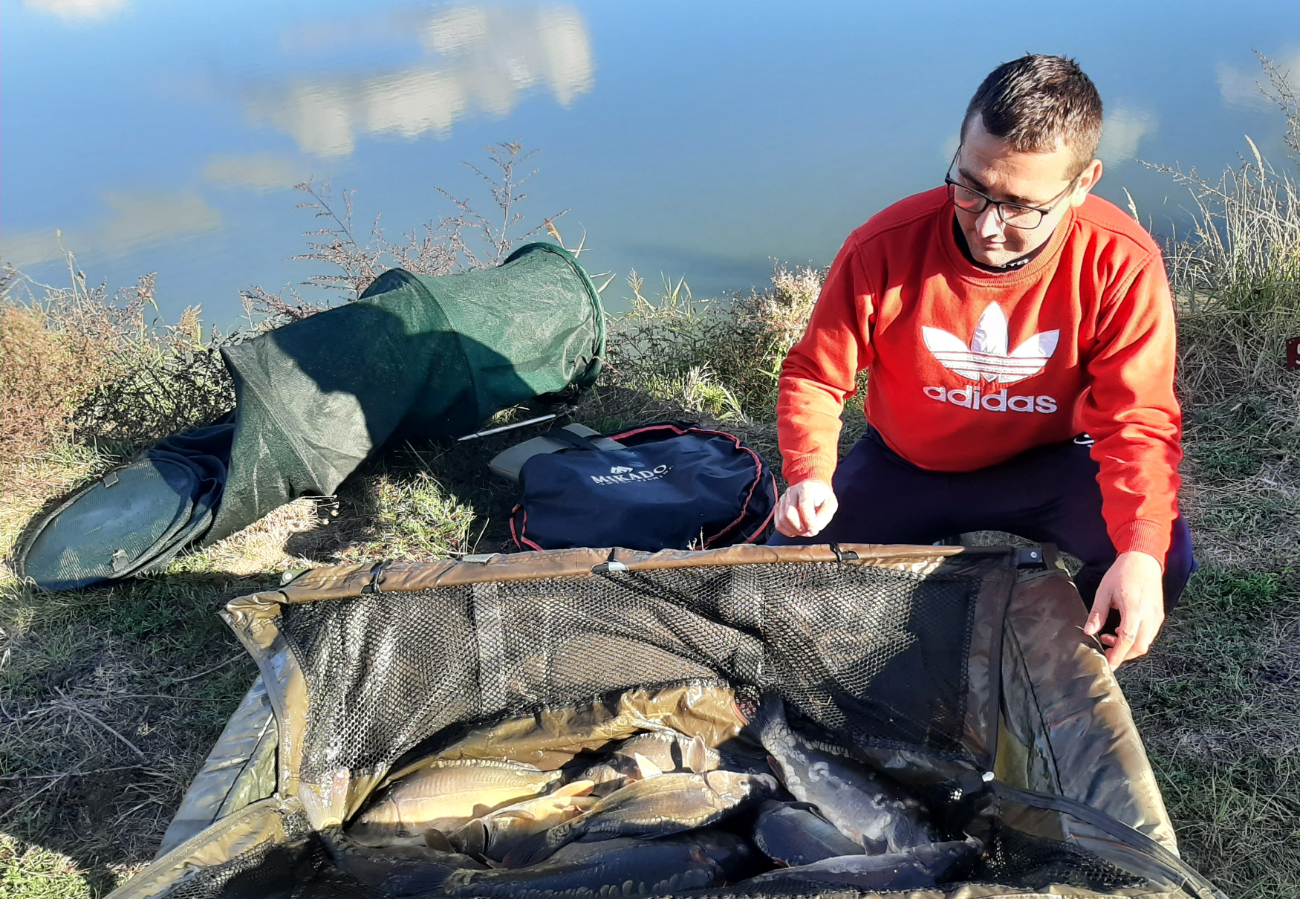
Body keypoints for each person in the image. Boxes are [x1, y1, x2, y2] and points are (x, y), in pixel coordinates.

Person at [769, 54, 1195, 671]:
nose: (988, 225)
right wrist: (810, 472)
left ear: (1083, 183)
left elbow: (1138, 420)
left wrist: (1140, 549)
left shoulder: (1121, 261)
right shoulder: (883, 246)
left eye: (1021, 205)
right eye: (971, 186)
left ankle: (1052, 678)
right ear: (961, 149)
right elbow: (815, 373)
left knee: (1159, 556)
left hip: (1047, 462)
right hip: (906, 461)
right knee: (782, 569)